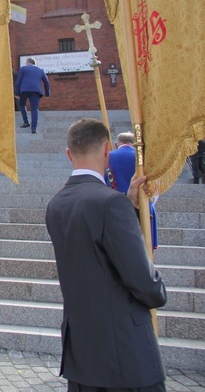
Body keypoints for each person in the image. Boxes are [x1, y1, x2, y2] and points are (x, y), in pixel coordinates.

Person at [45, 118, 167, 391]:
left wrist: (130, 206)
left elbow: (95, 251)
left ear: (68, 154)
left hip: (82, 352)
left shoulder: (56, 205)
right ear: (107, 150)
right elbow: (142, 280)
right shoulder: (110, 203)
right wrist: (159, 291)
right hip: (124, 354)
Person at [106, 131, 158, 249]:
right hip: (144, 206)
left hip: (116, 208)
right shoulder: (144, 158)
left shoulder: (108, 157)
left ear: (116, 144)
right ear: (134, 144)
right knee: (146, 249)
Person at [14, 57, 50, 134]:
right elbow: (46, 82)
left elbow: (18, 81)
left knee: (22, 104)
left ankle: (26, 122)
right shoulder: (40, 70)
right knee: (34, 109)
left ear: (27, 62)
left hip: (24, 90)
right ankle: (33, 129)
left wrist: (17, 93)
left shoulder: (23, 69)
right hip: (36, 91)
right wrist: (47, 94)